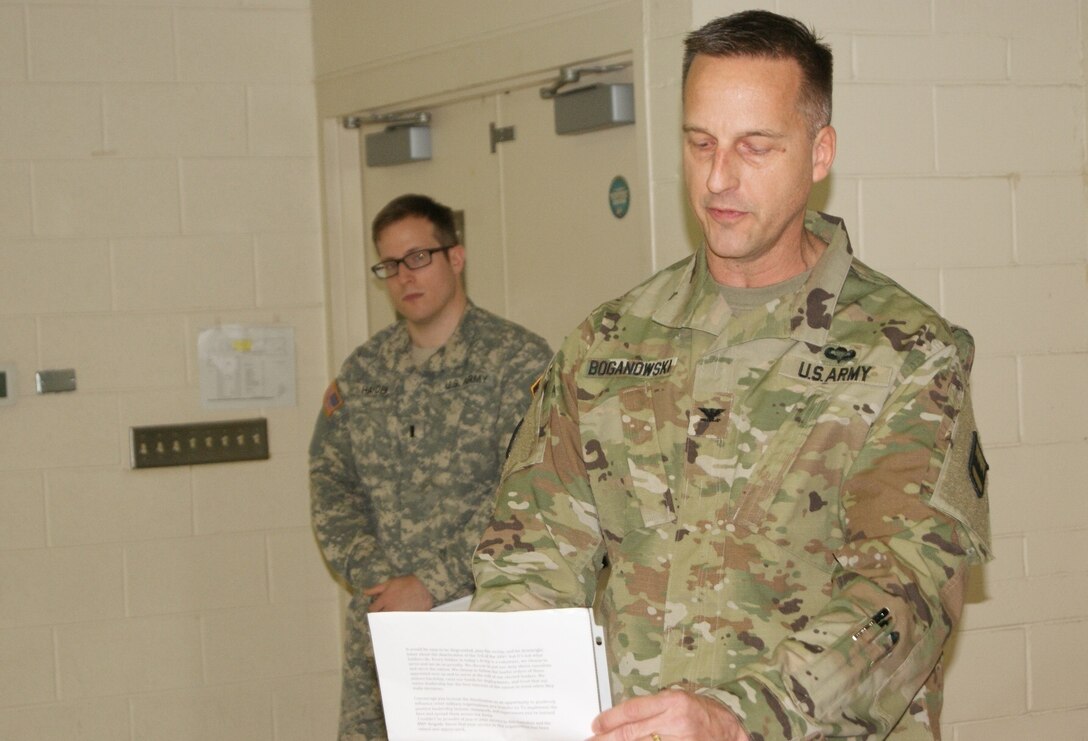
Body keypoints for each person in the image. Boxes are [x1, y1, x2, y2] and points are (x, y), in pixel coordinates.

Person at [471, 10, 991, 740]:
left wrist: (739, 715)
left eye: (755, 146)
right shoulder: (609, 341)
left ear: (820, 152)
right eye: (700, 143)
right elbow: (528, 552)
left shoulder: (904, 353)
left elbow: (903, 599)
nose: (719, 176)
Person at [310, 193, 552, 740]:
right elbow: (330, 481)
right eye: (389, 265)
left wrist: (430, 583)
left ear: (456, 257)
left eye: (418, 257)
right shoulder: (365, 370)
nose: (403, 277)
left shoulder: (516, 362)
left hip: (476, 621)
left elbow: (529, 495)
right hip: (383, 620)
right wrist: (377, 578)